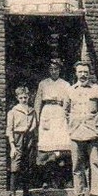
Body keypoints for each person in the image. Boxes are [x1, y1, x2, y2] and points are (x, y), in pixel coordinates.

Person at [64, 61, 98, 196]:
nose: (83, 75)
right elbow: (66, 111)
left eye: (85, 72)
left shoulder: (97, 90)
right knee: (77, 165)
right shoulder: (70, 90)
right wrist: (72, 125)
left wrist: (97, 122)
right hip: (76, 132)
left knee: (96, 164)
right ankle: (79, 194)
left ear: (89, 73)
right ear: (76, 73)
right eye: (80, 72)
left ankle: (96, 195)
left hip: (93, 132)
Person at [34, 57, 72, 185]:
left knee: (60, 149)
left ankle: (59, 180)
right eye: (51, 69)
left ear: (60, 70)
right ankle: (46, 180)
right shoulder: (43, 84)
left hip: (60, 114)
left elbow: (68, 103)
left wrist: (68, 118)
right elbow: (38, 102)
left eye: (56, 69)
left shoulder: (65, 84)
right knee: (46, 149)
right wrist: (37, 118)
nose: (54, 71)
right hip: (47, 113)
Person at [5, 83, 38, 196]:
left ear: (28, 97)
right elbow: (9, 129)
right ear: (17, 98)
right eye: (21, 98)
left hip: (29, 139)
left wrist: (31, 139)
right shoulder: (13, 112)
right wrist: (12, 146)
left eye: (25, 97)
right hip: (17, 139)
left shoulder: (32, 111)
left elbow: (34, 126)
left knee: (27, 168)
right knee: (15, 168)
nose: (24, 100)